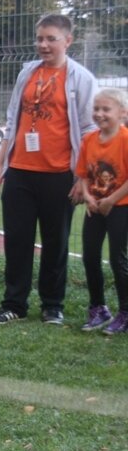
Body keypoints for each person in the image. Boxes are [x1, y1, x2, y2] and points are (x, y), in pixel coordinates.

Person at [0, 13, 97, 325]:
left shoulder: (81, 78)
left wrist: (81, 176)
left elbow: (88, 130)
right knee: (17, 240)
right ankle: (14, 304)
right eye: (40, 39)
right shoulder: (28, 72)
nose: (43, 45)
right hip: (20, 170)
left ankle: (52, 305)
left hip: (59, 174)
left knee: (55, 242)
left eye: (51, 39)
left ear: (68, 41)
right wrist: (0, 163)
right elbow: (12, 119)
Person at [75, 88, 128, 334]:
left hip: (120, 207)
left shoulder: (125, 140)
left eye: (106, 109)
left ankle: (125, 312)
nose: (99, 114)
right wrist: (87, 196)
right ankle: (98, 308)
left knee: (118, 259)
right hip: (95, 208)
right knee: (90, 256)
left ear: (122, 113)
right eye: (96, 109)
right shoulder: (89, 140)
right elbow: (84, 174)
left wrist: (111, 200)